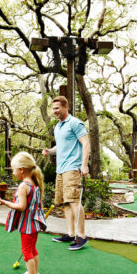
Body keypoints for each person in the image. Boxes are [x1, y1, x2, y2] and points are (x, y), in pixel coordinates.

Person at [42, 95, 90, 251]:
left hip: (72, 168)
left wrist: (84, 165)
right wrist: (49, 151)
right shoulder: (58, 127)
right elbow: (60, 147)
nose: (54, 111)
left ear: (65, 107)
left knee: (74, 202)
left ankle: (81, 236)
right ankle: (70, 233)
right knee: (65, 203)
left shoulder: (75, 123)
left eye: (57, 108)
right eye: (53, 108)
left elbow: (86, 143)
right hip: (60, 169)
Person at [0, 152, 47, 274]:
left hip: (27, 225)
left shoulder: (24, 186)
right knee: (33, 249)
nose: (13, 173)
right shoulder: (35, 184)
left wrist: (5, 202)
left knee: (26, 252)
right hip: (35, 223)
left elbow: (21, 207)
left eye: (14, 170)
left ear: (22, 170)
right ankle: (34, 272)